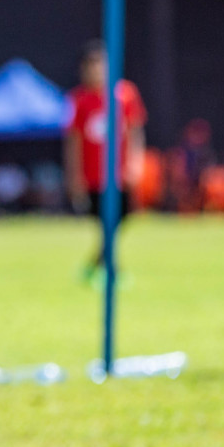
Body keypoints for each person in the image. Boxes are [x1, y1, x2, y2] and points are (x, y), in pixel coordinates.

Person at [63, 42, 147, 282]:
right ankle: (111, 267)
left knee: (121, 219)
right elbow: (73, 140)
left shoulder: (125, 94)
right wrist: (74, 175)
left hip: (119, 172)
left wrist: (135, 162)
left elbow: (135, 131)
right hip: (92, 174)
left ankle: (98, 263)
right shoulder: (79, 99)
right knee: (103, 221)